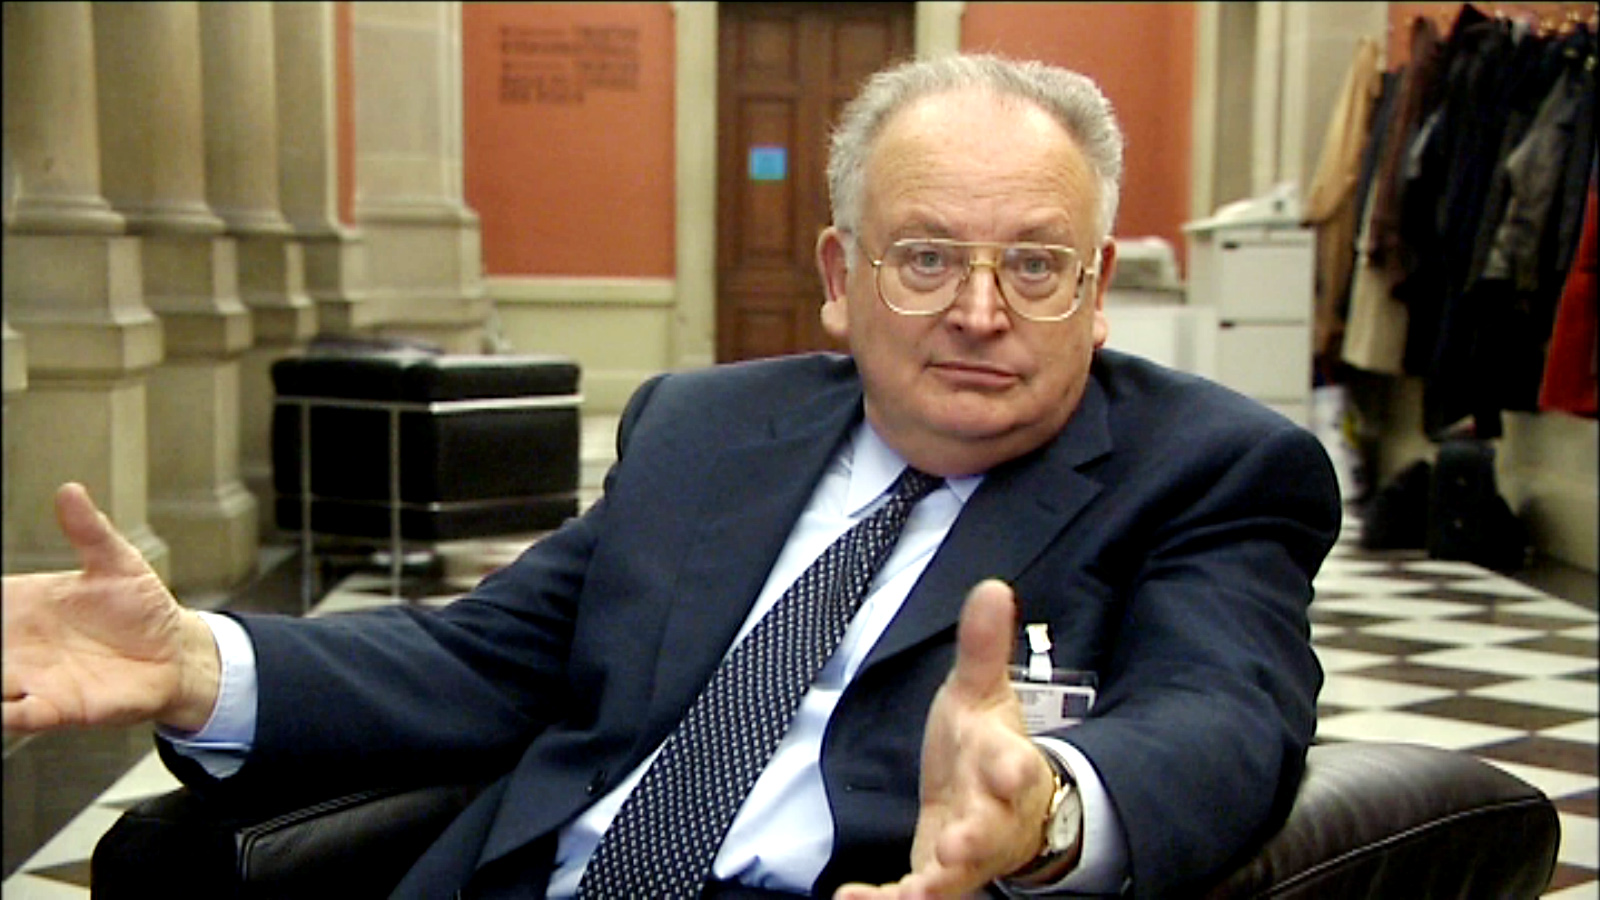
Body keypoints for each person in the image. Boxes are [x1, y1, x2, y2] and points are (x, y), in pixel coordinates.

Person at [2, 53, 1340, 899]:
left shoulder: (1211, 469)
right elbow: (489, 656)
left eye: (1035, 266)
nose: (979, 312)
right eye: (926, 257)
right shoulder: (704, 426)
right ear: (840, 278)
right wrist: (196, 664)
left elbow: (1223, 718)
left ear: (1096, 294)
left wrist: (1047, 810)